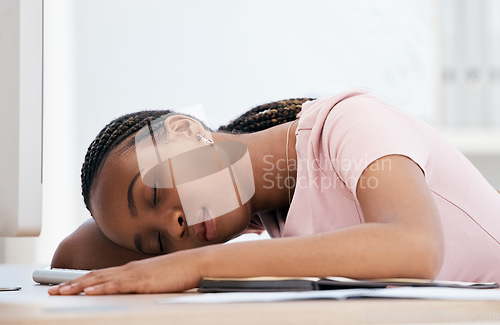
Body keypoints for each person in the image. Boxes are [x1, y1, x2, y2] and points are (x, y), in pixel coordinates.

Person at [48, 90, 500, 296]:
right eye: (159, 242)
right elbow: (72, 258)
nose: (174, 225)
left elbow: (415, 248)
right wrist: (141, 235)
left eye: (153, 194)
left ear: (185, 128)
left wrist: (196, 264)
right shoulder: (267, 215)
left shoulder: (350, 123)